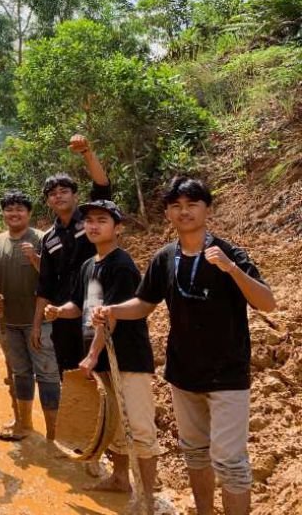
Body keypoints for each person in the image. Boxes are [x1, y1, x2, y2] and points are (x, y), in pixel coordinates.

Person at [94, 177, 275, 515]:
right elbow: (144, 304)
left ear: (207, 208)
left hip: (228, 376)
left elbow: (267, 302)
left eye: (192, 204)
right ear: (167, 214)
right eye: (176, 206)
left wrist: (232, 269)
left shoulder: (229, 253)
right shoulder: (165, 258)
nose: (184, 212)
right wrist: (112, 310)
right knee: (194, 452)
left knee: (230, 461)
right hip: (183, 373)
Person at [44, 200, 160, 511]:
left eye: (102, 220)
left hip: (127, 357)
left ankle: (146, 499)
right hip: (101, 358)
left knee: (138, 428)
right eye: (89, 221)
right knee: (114, 425)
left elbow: (112, 316)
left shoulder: (121, 265)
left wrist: (93, 355)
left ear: (117, 227)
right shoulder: (88, 265)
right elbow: (80, 307)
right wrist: (58, 311)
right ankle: (121, 478)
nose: (93, 226)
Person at [33, 134, 112, 376]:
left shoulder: (92, 220)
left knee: (101, 372)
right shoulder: (49, 238)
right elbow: (45, 284)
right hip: (64, 314)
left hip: (97, 307)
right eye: (53, 193)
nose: (59, 195)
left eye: (64, 190)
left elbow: (102, 187)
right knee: (70, 374)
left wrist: (87, 152)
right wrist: (37, 324)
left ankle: (108, 415)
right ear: (48, 201)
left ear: (75, 195)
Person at [0, 190, 57, 442]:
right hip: (8, 322)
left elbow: (54, 277)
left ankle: (53, 433)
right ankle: (23, 423)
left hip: (41, 323)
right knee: (20, 373)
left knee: (47, 374)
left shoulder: (43, 239)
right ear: (3, 213)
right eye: (9, 209)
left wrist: (35, 259)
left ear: (29, 213)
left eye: (20, 209)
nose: (14, 214)